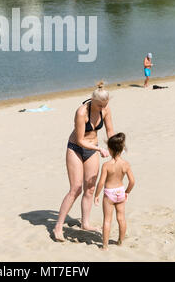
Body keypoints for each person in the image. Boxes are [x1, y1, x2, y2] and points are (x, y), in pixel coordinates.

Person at [53, 81, 115, 242]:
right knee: (76, 188)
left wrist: (114, 147)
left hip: (93, 148)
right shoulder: (81, 112)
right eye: (100, 105)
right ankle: (58, 226)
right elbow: (80, 140)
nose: (103, 108)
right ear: (92, 101)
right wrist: (99, 149)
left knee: (90, 188)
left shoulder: (105, 109)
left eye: (105, 105)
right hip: (76, 147)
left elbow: (109, 130)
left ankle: (85, 223)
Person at [94, 133, 135, 251]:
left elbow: (101, 182)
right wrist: (127, 192)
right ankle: (120, 242)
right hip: (120, 192)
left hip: (109, 194)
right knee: (121, 218)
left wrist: (96, 195)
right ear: (122, 149)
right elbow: (132, 181)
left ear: (110, 150)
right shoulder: (125, 164)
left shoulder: (106, 165)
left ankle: (105, 246)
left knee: (107, 220)